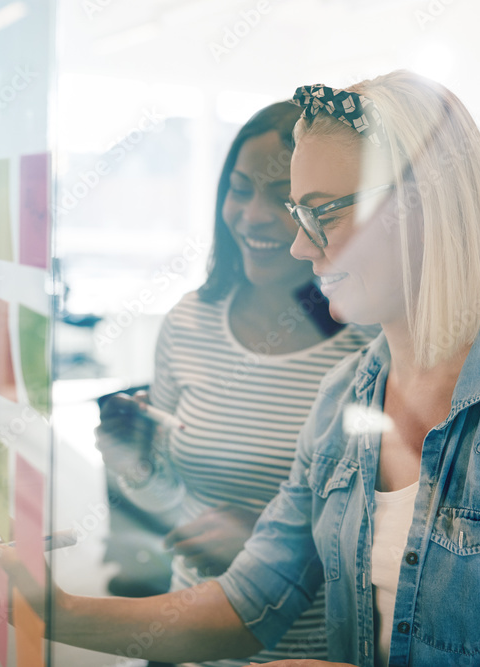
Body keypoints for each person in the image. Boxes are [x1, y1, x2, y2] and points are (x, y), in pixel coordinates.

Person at [0, 70, 480, 666]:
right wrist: (55, 609)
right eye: (298, 212)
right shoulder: (343, 398)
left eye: (320, 212)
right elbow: (249, 603)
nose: (295, 242)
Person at [95, 100, 377, 666]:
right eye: (240, 189)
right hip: (185, 638)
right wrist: (137, 466)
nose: (253, 215)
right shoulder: (188, 322)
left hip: (312, 651)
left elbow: (392, 535)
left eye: (284, 200)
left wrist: (275, 542)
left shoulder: (368, 342)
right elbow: (177, 503)